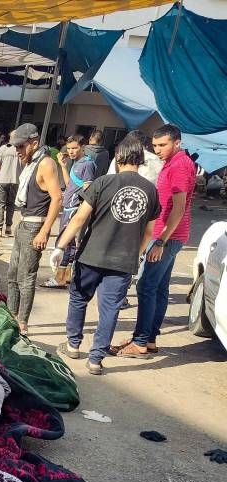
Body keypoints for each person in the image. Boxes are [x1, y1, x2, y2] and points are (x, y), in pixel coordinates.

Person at [56, 135, 161, 375]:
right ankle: (96, 360)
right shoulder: (150, 190)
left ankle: (73, 345)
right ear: (140, 159)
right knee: (110, 309)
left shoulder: (103, 182)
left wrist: (61, 246)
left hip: (92, 255)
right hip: (124, 260)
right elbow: (149, 232)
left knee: (79, 298)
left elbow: (80, 218)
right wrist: (137, 253)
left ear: (119, 156)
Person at [114, 123, 196, 357]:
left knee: (146, 286)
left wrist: (160, 241)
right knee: (159, 289)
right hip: (171, 235)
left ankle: (140, 341)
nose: (158, 149)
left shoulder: (179, 165)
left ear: (177, 143)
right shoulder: (174, 163)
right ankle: (148, 339)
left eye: (163, 145)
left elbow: (178, 208)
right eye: (155, 145)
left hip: (166, 237)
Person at [5, 123, 63, 335]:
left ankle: (22, 322)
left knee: (26, 277)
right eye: (16, 147)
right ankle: (11, 314)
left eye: (21, 146)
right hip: (24, 223)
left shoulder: (46, 163)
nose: (18, 151)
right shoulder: (30, 163)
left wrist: (44, 231)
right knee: (12, 273)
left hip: (35, 225)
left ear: (34, 143)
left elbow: (57, 198)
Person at [44, 135, 97, 288]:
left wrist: (82, 211)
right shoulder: (76, 163)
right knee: (69, 244)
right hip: (68, 207)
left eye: (75, 148)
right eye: (69, 148)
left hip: (74, 208)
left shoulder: (87, 164)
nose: (71, 151)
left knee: (65, 242)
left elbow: (88, 188)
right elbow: (70, 184)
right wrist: (62, 166)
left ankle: (60, 277)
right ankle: (65, 276)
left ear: (83, 147)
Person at [0, 136, 21, 237]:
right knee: (11, 204)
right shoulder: (21, 148)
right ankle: (8, 228)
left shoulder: (4, 148)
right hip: (16, 181)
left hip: (2, 180)